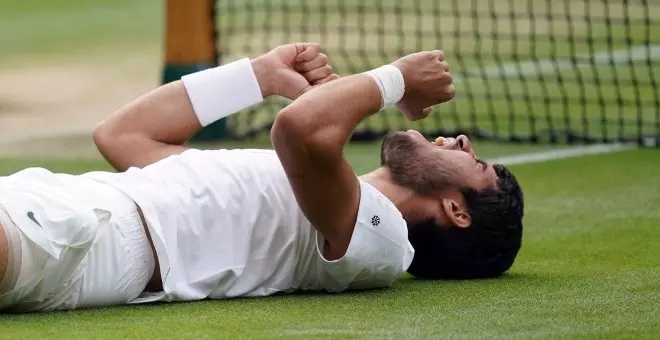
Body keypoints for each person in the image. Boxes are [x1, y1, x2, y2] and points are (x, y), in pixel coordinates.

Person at [0, 42, 524, 313]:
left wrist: (396, 80)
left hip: (86, 238)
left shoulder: (385, 244)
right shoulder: (294, 187)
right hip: (64, 207)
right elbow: (123, 137)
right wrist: (258, 76)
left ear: (456, 211)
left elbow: (300, 128)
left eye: (475, 163)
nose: (459, 141)